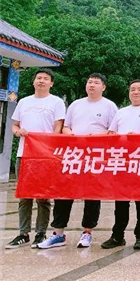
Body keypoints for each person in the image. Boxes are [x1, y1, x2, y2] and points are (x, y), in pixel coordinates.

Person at [38, 73, 118, 249]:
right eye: (89, 82)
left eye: (96, 82)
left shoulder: (109, 106)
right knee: (64, 192)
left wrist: (93, 137)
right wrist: (72, 135)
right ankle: (58, 233)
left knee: (91, 194)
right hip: (74, 155)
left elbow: (113, 130)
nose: (92, 85)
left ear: (103, 87)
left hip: (95, 156)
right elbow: (66, 127)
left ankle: (87, 232)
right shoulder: (76, 104)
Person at [5, 69, 66, 249]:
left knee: (43, 196)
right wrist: (18, 131)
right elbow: (15, 126)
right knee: (24, 195)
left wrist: (49, 147)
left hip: (45, 156)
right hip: (24, 154)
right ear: (33, 81)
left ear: (51, 83)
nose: (41, 81)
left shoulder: (56, 102)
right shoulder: (24, 102)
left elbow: (58, 128)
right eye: (38, 78)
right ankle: (23, 233)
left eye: (46, 79)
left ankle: (41, 233)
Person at [100, 79, 140, 251]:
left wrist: (139, 138)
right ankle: (117, 235)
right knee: (121, 201)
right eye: (133, 89)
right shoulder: (121, 112)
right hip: (122, 161)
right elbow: (112, 133)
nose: (136, 92)